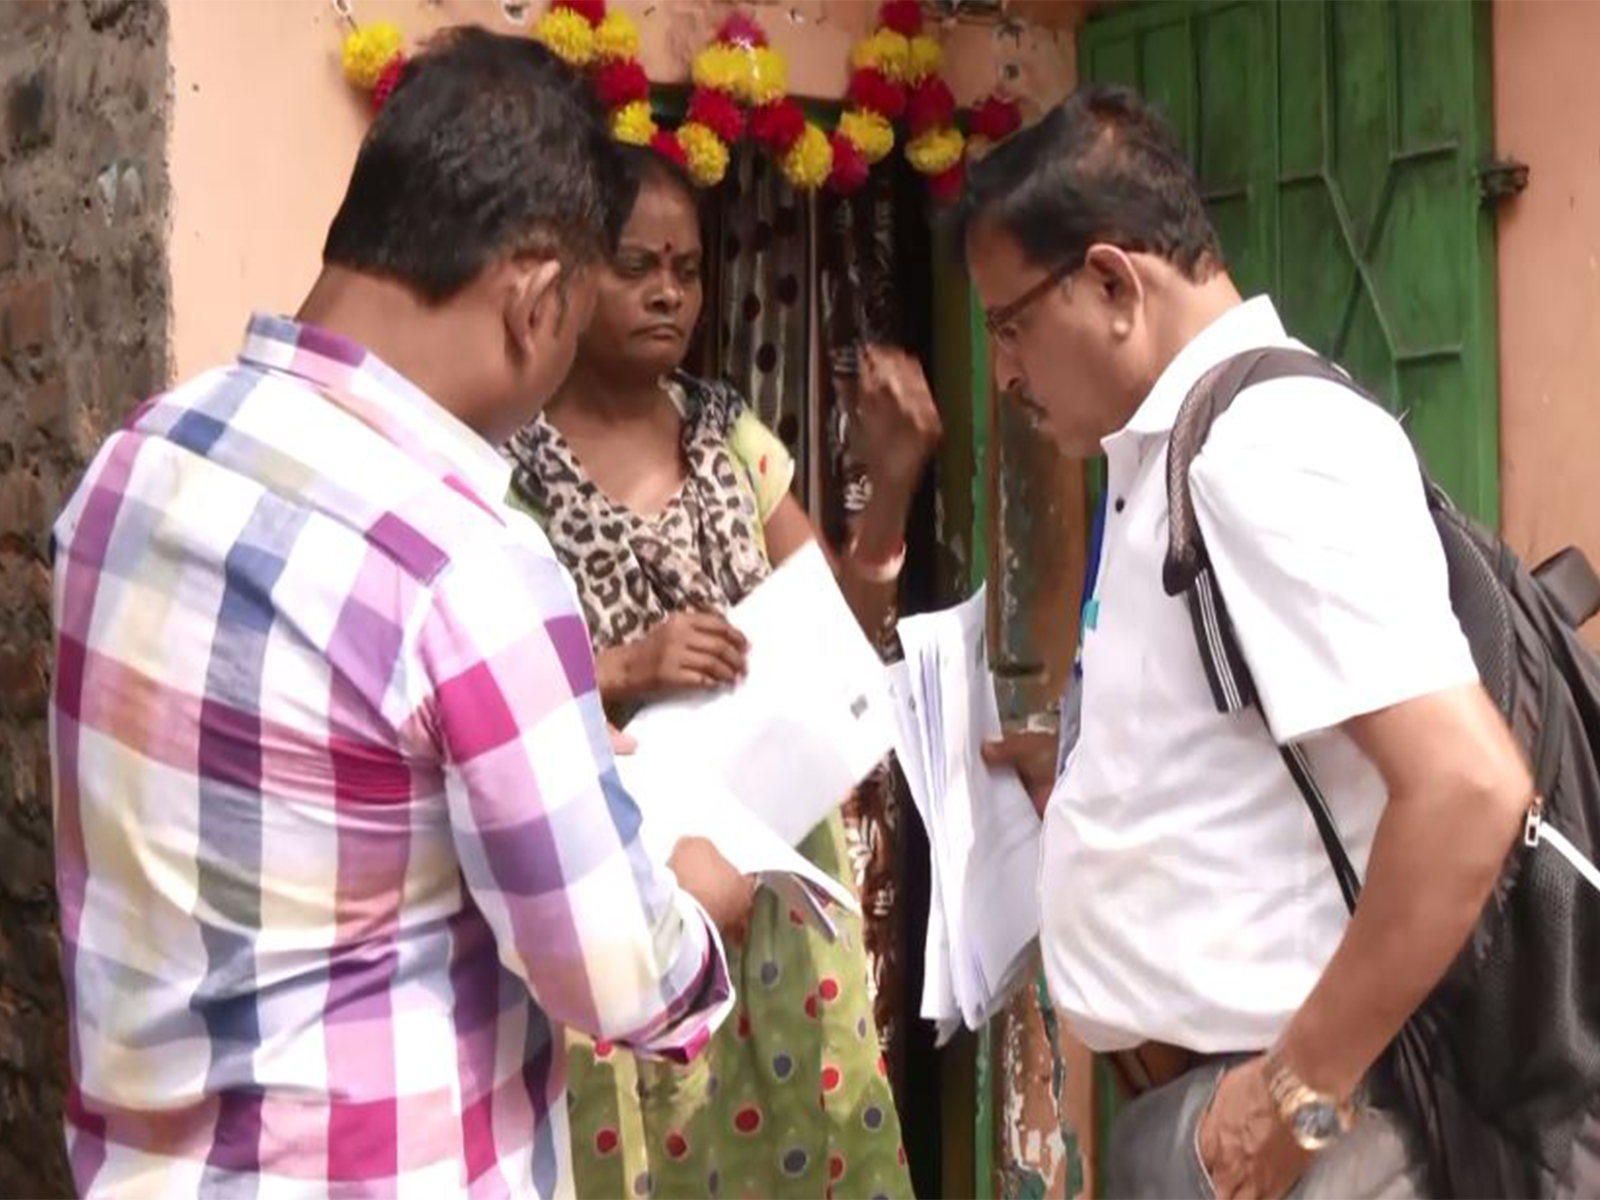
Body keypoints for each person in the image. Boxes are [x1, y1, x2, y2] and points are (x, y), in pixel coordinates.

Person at [50, 30, 751, 1199]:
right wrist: (700, 899)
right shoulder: (466, 562)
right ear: (535, 304)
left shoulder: (136, 461)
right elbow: (619, 975)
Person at [965, 87, 1532, 1199]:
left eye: (1011, 324)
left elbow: (1466, 791)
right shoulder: (1168, 455)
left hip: (1304, 1133)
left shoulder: (1265, 450)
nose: (1005, 373)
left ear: (1113, 282)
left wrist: (1295, 1097)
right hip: (1209, 1111)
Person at [506, 144, 940, 1200]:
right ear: (564, 271)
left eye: (688, 269)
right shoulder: (508, 463)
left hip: (773, 869)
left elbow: (838, 628)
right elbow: (487, 685)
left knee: (807, 1143)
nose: (668, 293)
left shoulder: (730, 437)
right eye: (635, 265)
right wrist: (623, 665)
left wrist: (887, 487)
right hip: (623, 875)